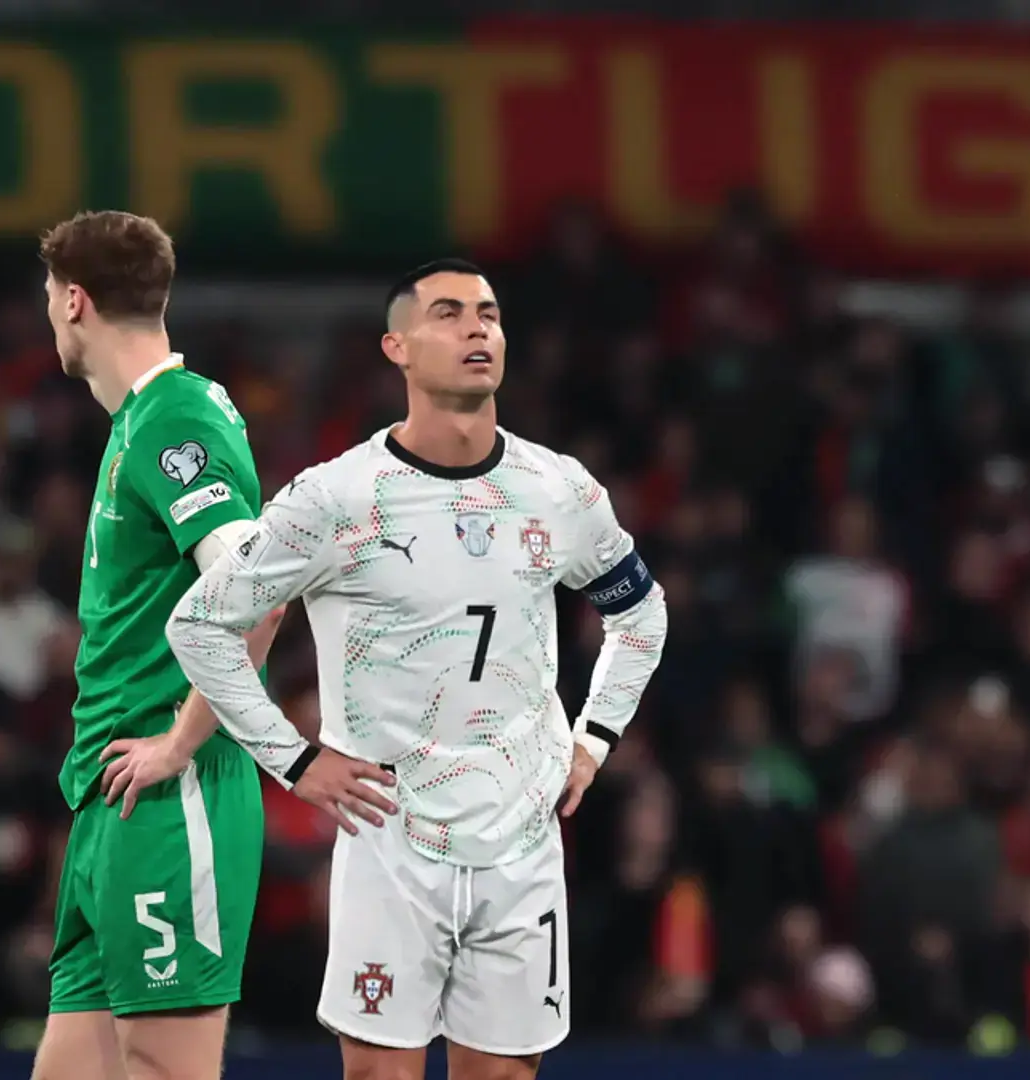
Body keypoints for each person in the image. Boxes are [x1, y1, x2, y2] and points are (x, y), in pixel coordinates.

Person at [166, 258, 670, 1080]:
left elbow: (641, 614)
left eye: (489, 314)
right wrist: (294, 761)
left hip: (521, 841)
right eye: (449, 313)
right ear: (395, 347)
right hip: (391, 843)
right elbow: (199, 625)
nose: (478, 329)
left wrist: (595, 739)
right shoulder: (335, 498)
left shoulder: (559, 490)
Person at [29, 210, 282, 1080]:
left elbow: (259, 592)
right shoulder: (141, 422)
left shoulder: (175, 419)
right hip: (111, 796)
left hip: (175, 794)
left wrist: (180, 742)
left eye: (49, 299)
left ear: (73, 301)